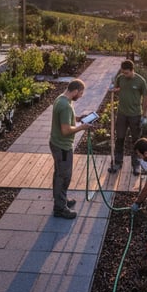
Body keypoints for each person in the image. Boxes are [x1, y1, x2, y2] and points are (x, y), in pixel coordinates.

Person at [50, 79, 91, 219]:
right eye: (80, 93)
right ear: (75, 91)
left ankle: (61, 200)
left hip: (56, 143)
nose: (81, 96)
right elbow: (66, 130)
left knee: (59, 174)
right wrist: (82, 127)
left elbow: (65, 120)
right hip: (62, 147)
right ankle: (60, 209)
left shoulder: (60, 99)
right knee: (64, 177)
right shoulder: (66, 106)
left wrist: (79, 118)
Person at [108, 59, 147, 176]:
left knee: (136, 141)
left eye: (126, 73)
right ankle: (117, 162)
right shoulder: (120, 78)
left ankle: (136, 165)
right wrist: (113, 89)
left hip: (135, 115)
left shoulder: (140, 81)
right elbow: (117, 88)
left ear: (132, 70)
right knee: (119, 138)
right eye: (122, 72)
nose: (124, 75)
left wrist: (145, 115)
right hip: (121, 114)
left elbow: (146, 99)